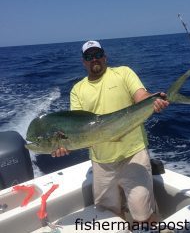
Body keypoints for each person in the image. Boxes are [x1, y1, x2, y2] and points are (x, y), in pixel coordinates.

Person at [52, 40, 169, 226]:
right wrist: (63, 145)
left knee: (143, 214)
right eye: (89, 57)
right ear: (83, 62)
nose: (94, 59)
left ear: (105, 57)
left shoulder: (123, 73)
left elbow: (141, 96)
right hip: (102, 164)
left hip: (134, 155)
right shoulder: (77, 90)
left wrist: (153, 100)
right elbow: (77, 126)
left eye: (98, 54)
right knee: (108, 217)